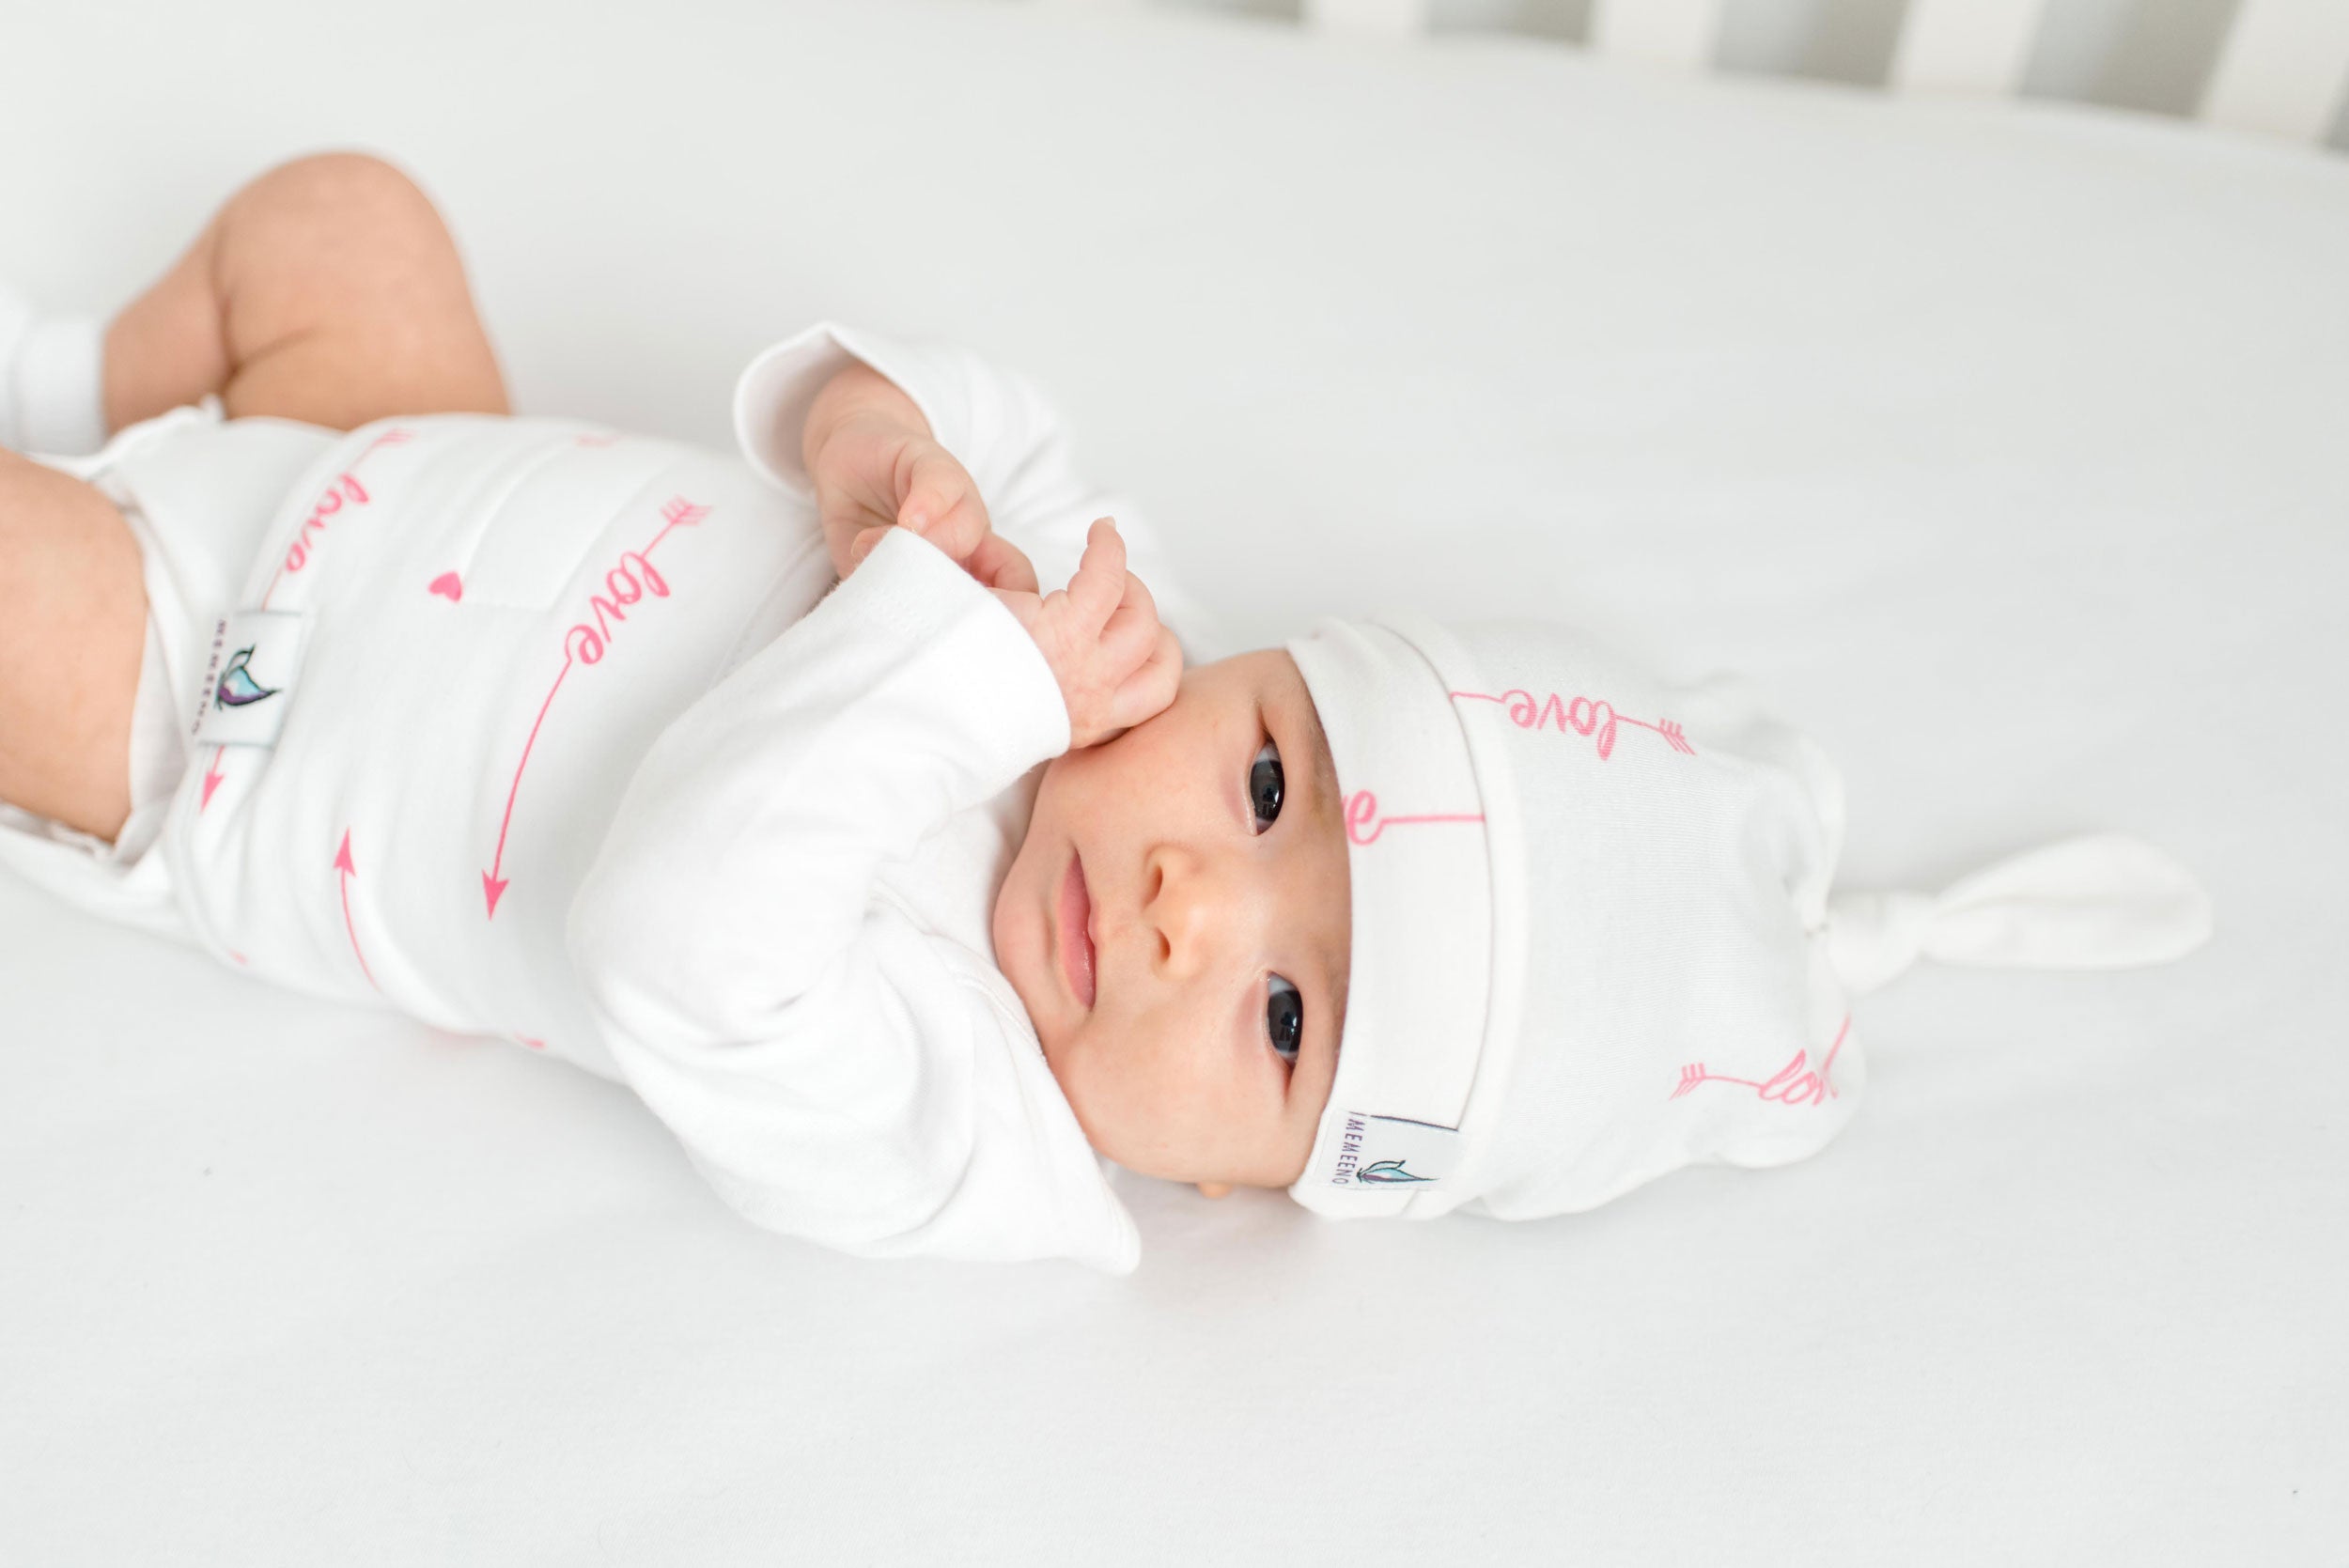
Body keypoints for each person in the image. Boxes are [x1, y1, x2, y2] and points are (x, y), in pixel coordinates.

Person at [0, 153, 2213, 1273]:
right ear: (1255, 675)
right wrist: (887, 458)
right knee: (340, 218)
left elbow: (664, 929)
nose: (1180, 901)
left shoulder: (962, 1125)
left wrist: (952, 658)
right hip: (392, 458)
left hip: (232, 722)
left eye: (1279, 1019)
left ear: (1264, 1193)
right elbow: (968, 412)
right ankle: (70, 384)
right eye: (1268, 784)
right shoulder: (1090, 656)